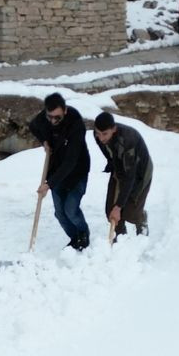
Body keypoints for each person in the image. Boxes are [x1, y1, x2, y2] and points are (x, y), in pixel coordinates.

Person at [28, 93, 91, 251]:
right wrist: (44, 140)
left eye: (57, 117)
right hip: (56, 169)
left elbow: (71, 161)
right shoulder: (47, 115)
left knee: (70, 209)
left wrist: (49, 184)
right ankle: (74, 238)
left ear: (65, 110)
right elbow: (33, 126)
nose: (53, 121)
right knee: (60, 213)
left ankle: (83, 234)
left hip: (76, 171)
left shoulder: (76, 124)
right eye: (50, 117)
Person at [92, 112, 152, 241]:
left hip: (139, 171)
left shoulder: (127, 140)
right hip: (119, 168)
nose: (101, 138)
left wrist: (119, 206)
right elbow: (108, 153)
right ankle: (120, 235)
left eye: (104, 134)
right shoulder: (97, 136)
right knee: (110, 210)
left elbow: (130, 177)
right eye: (98, 133)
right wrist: (113, 164)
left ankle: (141, 219)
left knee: (131, 211)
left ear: (113, 129)